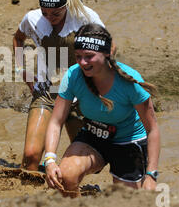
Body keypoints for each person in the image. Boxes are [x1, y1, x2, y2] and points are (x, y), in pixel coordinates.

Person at [44, 23, 161, 197]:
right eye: (78, 56)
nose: (83, 62)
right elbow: (56, 121)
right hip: (93, 136)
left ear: (107, 53)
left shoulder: (130, 82)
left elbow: (152, 130)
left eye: (89, 56)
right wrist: (50, 160)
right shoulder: (73, 75)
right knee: (65, 176)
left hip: (128, 143)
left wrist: (151, 175)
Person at [13, 0, 105, 171]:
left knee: (90, 164)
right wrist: (22, 69)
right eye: (45, 12)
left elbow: (108, 46)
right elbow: (18, 38)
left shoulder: (85, 17)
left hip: (81, 96)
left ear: (67, 5)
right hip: (47, 93)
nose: (49, 17)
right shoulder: (32, 18)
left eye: (55, 13)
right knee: (30, 158)